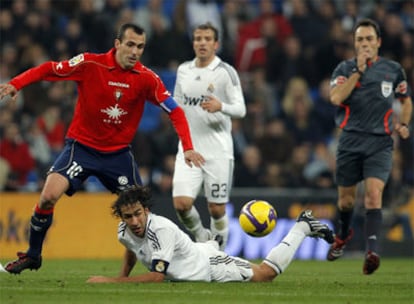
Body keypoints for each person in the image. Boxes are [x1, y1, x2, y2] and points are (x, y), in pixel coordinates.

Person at [0, 23, 205, 274]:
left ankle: (143, 270)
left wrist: (188, 147)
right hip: (81, 147)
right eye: (130, 44)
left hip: (118, 155)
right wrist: (16, 84)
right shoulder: (89, 64)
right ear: (117, 44)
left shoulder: (147, 79)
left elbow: (175, 111)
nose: (135, 51)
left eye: (140, 47)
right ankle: (33, 255)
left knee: (139, 214)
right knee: (48, 195)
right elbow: (49, 69)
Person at [86, 185, 334, 283]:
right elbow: (130, 248)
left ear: (147, 210)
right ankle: (212, 238)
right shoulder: (124, 230)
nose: (135, 221)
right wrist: (121, 276)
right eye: (128, 217)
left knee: (265, 275)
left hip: (209, 264)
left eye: (138, 214)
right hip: (193, 257)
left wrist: (113, 282)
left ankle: (302, 226)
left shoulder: (158, 229)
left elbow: (156, 277)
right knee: (207, 242)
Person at [327, 18, 412, 274]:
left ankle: (372, 252)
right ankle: (342, 234)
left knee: (374, 196)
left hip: (380, 143)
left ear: (378, 42)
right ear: (354, 44)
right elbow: (336, 98)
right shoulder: (344, 69)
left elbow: (406, 101)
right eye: (360, 40)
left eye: (369, 39)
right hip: (350, 141)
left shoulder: (393, 70)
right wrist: (359, 72)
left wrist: (404, 123)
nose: (364, 44)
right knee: (346, 201)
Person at [171, 22, 246, 250]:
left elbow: (241, 109)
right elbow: (176, 106)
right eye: (197, 38)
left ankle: (218, 255)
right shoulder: (184, 70)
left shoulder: (225, 72)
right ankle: (203, 240)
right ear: (193, 43)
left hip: (218, 152)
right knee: (182, 204)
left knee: (217, 209)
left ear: (216, 44)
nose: (201, 43)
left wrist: (220, 106)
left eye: (206, 39)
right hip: (189, 149)